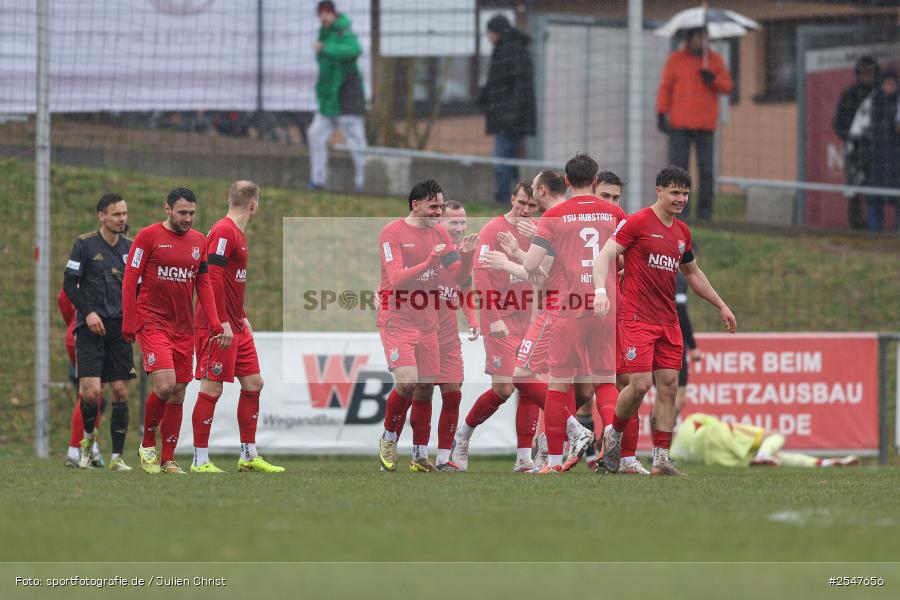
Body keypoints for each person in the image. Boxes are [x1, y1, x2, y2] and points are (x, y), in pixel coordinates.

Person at [594, 166, 737, 477]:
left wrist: (721, 305)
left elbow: (693, 274)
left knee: (669, 387)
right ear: (659, 190)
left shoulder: (682, 232)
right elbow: (605, 255)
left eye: (685, 193)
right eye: (675, 192)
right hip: (636, 318)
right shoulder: (638, 222)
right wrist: (599, 291)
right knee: (641, 385)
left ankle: (661, 459)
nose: (681, 198)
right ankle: (614, 435)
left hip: (667, 321)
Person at [520, 154, 626, 473]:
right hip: (604, 305)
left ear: (566, 181)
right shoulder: (615, 212)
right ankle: (610, 430)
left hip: (568, 308)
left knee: (558, 385)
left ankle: (552, 462)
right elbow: (625, 259)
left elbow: (530, 265)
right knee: (605, 379)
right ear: (595, 183)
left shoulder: (553, 216)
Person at [451, 182, 567, 473]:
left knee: (527, 387)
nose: (527, 210)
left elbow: (543, 275)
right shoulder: (493, 229)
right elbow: (482, 274)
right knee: (505, 387)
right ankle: (462, 437)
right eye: (522, 203)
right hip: (500, 320)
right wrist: (493, 317)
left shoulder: (539, 230)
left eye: (532, 206)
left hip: (528, 320)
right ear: (512, 198)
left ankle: (523, 457)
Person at [122, 187, 232, 475]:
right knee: (165, 385)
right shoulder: (148, 237)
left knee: (179, 393)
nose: (188, 218)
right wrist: (129, 321)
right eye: (183, 212)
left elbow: (204, 283)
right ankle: (147, 444)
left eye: (192, 213)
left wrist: (215, 321)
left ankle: (167, 459)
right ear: (167, 210)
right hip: (153, 322)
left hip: (183, 327)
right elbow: (130, 277)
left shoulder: (199, 241)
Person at [376, 180, 477, 473]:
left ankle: (420, 456)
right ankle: (388, 437)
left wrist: (468, 256)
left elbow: (457, 277)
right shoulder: (391, 232)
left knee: (423, 391)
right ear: (415, 205)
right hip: (397, 319)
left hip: (428, 322)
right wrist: (429, 262)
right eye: (433, 206)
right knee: (407, 382)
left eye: (440, 206)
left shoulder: (440, 232)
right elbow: (395, 279)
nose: (438, 212)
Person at [190, 181, 284, 474]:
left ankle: (248, 454)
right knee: (212, 386)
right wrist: (222, 322)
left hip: (235, 323)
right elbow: (212, 278)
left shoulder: (236, 234)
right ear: (254, 205)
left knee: (254, 383)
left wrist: (241, 316)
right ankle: (200, 460)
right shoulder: (224, 231)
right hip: (218, 325)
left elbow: (231, 281)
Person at [63, 194, 136, 471]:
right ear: (101, 216)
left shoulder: (131, 248)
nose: (122, 219)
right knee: (91, 393)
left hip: (119, 330)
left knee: (120, 392)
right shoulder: (84, 244)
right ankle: (86, 446)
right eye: (116, 214)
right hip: (90, 328)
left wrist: (136, 320)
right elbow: (69, 285)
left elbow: (139, 289)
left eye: (125, 214)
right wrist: (89, 312)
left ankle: (117, 458)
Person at [656, 27, 733, 221]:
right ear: (689, 39)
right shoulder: (676, 60)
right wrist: (661, 112)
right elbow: (666, 87)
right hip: (680, 124)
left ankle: (704, 214)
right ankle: (679, 212)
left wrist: (712, 80)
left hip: (705, 125)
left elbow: (727, 86)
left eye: (705, 38)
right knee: (679, 171)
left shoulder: (714, 61)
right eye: (699, 38)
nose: (702, 42)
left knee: (706, 171)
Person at [307, 1, 367, 193]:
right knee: (315, 134)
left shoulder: (343, 32)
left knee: (356, 141)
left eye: (327, 13)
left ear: (334, 14)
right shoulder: (323, 35)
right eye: (321, 13)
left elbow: (353, 50)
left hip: (347, 97)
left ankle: (362, 183)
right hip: (329, 101)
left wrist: (325, 48)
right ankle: (318, 180)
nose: (324, 16)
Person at [479, 14, 536, 204]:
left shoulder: (510, 51)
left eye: (489, 32)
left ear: (495, 32)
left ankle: (505, 198)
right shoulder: (511, 50)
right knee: (510, 159)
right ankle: (516, 198)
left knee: (501, 158)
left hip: (510, 119)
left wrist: (509, 114)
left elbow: (514, 87)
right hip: (511, 117)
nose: (487, 36)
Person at [671, 413, 858, 468]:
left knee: (778, 458)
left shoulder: (673, 453)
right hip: (719, 436)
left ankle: (826, 463)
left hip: (718, 460)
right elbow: (714, 423)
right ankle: (763, 454)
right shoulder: (690, 421)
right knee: (776, 436)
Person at [58, 286, 104, 468]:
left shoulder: (80, 262)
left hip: (76, 332)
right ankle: (75, 450)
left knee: (88, 393)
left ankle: (91, 448)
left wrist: (71, 322)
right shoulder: (98, 262)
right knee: (93, 393)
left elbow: (63, 298)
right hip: (92, 333)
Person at [849, 70, 899, 232]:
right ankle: (874, 237)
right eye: (887, 83)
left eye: (893, 83)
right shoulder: (869, 104)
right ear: (880, 84)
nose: (890, 86)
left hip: (896, 163)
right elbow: (856, 133)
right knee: (874, 202)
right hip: (874, 163)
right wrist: (860, 156)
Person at [833, 56, 879, 230]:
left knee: (876, 188)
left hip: (878, 150)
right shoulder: (849, 94)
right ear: (858, 74)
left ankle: (875, 226)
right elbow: (838, 124)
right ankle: (856, 227)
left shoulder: (881, 95)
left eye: (870, 72)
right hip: (856, 150)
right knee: (854, 189)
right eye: (864, 72)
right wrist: (853, 138)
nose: (867, 75)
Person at [674, 261, 701, 417]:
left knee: (665, 396)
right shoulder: (678, 277)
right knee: (677, 396)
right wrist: (693, 345)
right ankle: (660, 440)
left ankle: (659, 439)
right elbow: (681, 310)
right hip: (673, 341)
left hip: (649, 337)